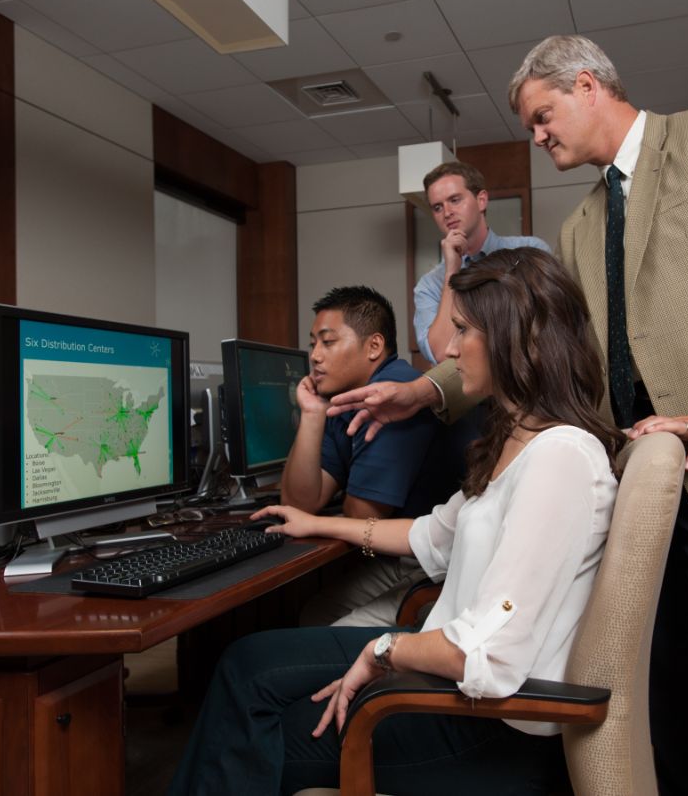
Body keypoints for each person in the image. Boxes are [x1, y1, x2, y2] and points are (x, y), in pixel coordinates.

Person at [327, 35, 688, 796]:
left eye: (543, 116)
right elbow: (527, 341)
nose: (537, 137)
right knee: (668, 682)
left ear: (587, 84)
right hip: (642, 469)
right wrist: (427, 390)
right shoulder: (580, 226)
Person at [166, 248, 624, 796]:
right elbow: (428, 534)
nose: (448, 351)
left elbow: (488, 654)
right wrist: (318, 525)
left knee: (255, 736)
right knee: (245, 663)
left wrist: (382, 651)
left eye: (462, 331)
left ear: (514, 340)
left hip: (484, 726)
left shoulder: (560, 460)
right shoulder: (518, 441)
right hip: (446, 678)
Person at [282, 285, 460, 628]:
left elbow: (364, 515)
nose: (315, 356)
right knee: (311, 612)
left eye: (328, 341)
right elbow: (301, 502)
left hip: (430, 562)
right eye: (312, 343)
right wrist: (312, 414)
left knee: (318, 619)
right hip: (397, 554)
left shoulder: (394, 394)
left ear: (374, 346)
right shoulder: (341, 398)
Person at [413, 161, 549, 364]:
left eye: (455, 200)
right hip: (469, 392)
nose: (447, 212)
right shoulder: (429, 285)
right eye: (437, 207)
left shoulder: (530, 251)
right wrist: (452, 271)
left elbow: (555, 325)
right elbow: (442, 355)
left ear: (482, 200)